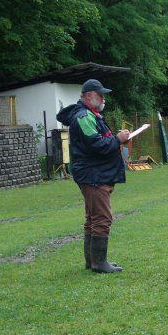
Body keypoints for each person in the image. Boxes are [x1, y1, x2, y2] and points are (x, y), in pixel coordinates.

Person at [56, 79, 130, 273]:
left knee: (93, 218)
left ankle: (93, 261)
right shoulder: (84, 117)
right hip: (94, 175)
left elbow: (101, 142)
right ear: (88, 96)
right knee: (101, 218)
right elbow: (97, 145)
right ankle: (99, 262)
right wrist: (118, 139)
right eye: (100, 95)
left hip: (93, 173)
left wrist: (117, 139)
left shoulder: (91, 115)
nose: (104, 98)